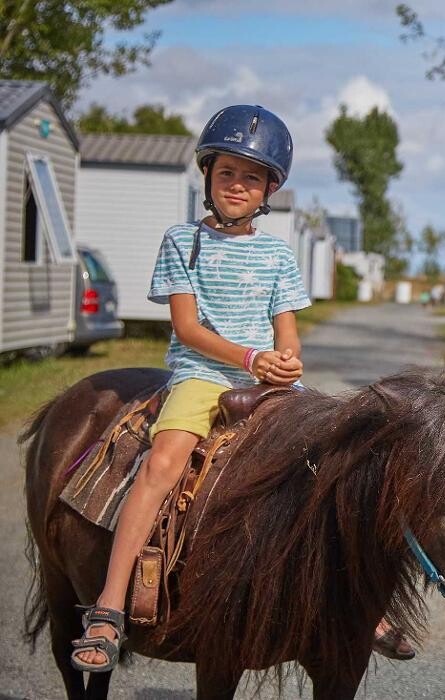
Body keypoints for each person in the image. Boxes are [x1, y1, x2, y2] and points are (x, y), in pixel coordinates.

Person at [70, 105, 310, 672]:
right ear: (207, 177)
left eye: (251, 177)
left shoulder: (277, 253)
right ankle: (109, 604)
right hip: (203, 374)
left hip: (264, 380)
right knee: (163, 461)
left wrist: (287, 366)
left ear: (268, 189)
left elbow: (289, 335)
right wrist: (250, 357)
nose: (237, 185)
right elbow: (187, 328)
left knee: (325, 464)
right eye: (226, 172)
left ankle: (349, 600)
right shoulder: (183, 241)